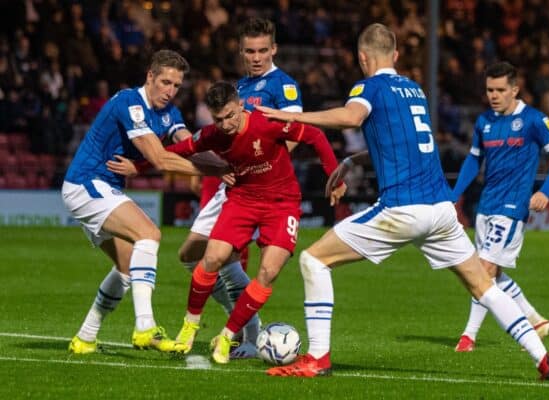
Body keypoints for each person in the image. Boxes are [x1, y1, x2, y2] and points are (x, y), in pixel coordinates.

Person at [257, 23, 549, 380]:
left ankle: (317, 357)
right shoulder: (415, 90)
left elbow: (351, 117)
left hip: (402, 208)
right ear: (396, 56)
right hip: (442, 211)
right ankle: (543, 359)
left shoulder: (367, 86)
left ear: (362, 58)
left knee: (313, 260)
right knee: (484, 286)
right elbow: (407, 146)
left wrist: (292, 116)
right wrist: (355, 160)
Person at [147, 81, 345, 364]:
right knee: (211, 258)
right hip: (243, 199)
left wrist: (334, 176)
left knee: (268, 271)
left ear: (241, 105)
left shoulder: (267, 122)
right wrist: (139, 165)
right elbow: (178, 150)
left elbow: (313, 135)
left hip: (282, 203)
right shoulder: (213, 135)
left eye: (230, 115)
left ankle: (228, 336)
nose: (226, 124)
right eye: (219, 119)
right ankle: (189, 327)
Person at [63, 49, 212, 355]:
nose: (169, 91)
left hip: (105, 188)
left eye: (176, 86)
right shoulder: (129, 103)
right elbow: (158, 157)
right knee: (149, 234)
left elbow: (189, 143)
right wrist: (213, 170)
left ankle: (85, 337)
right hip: (87, 183)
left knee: (128, 265)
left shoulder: (169, 113)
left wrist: (223, 157)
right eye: (165, 82)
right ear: (150, 77)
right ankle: (145, 327)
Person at [176, 17, 304, 359]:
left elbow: (290, 140)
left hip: (260, 186)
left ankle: (247, 332)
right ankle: (245, 323)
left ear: (273, 49)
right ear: (241, 51)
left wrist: (248, 168)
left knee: (224, 258)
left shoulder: (284, 87)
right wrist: (211, 166)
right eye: (250, 51)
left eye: (263, 50)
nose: (256, 57)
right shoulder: (240, 89)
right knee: (191, 254)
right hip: (232, 183)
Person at [451, 61, 549, 352]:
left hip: (512, 205)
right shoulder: (484, 122)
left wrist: (544, 192)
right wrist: (454, 194)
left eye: (501, 90)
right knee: (492, 273)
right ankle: (535, 320)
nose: (494, 95)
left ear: (514, 90)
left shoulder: (533, 120)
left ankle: (469, 336)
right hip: (486, 204)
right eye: (490, 89)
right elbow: (473, 160)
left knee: (483, 269)